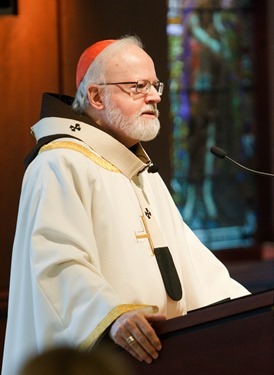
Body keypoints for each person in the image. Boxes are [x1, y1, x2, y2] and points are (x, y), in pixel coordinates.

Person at [2, 35, 249, 375]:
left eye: (155, 85)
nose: (155, 96)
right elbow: (55, 262)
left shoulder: (140, 171)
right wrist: (112, 314)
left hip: (166, 354)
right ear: (96, 96)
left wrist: (252, 310)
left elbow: (191, 262)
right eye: (138, 86)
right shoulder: (59, 164)